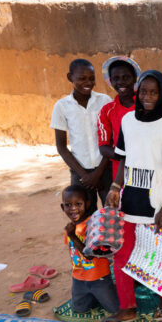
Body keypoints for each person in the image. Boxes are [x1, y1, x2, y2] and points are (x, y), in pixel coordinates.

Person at [96, 70, 162, 322]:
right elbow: (123, 158)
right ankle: (127, 308)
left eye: (154, 92)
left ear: (161, 94)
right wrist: (114, 186)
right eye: (143, 91)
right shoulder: (127, 122)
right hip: (131, 197)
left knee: (158, 254)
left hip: (157, 201)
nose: (147, 97)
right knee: (122, 254)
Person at [51, 59, 112, 209]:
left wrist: (98, 173)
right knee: (84, 217)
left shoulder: (105, 101)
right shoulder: (62, 106)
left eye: (92, 78)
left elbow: (112, 139)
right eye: (81, 78)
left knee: (113, 216)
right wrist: (85, 176)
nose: (88, 82)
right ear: (70, 77)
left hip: (105, 168)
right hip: (80, 172)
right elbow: (61, 147)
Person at [61, 185, 119, 314]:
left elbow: (90, 255)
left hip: (99, 278)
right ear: (62, 207)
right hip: (78, 278)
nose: (73, 208)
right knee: (79, 309)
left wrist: (73, 235)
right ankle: (95, 296)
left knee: (115, 309)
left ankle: (110, 290)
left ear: (87, 204)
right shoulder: (70, 228)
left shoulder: (93, 225)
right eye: (68, 205)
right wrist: (71, 233)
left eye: (78, 204)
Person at [97, 56, 140, 184]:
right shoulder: (107, 111)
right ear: (110, 81)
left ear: (134, 78)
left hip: (148, 166)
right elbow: (103, 147)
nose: (121, 82)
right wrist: (126, 157)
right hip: (121, 174)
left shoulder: (146, 105)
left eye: (126, 77)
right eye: (116, 78)